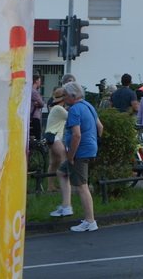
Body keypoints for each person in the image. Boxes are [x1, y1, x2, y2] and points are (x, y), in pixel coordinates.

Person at [50, 81, 103, 232]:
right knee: (62, 172)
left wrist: (71, 155)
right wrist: (94, 143)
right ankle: (66, 206)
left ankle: (90, 221)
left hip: (80, 152)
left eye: (65, 95)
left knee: (82, 186)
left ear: (73, 96)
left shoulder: (74, 110)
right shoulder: (89, 106)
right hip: (89, 148)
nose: (64, 98)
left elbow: (76, 135)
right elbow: (100, 127)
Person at [44, 87, 69, 191]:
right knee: (64, 158)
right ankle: (66, 185)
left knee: (54, 162)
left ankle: (50, 186)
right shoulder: (59, 109)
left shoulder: (56, 108)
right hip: (55, 136)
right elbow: (70, 116)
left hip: (50, 136)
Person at [30, 74, 45, 140]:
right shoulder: (34, 92)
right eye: (39, 81)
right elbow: (42, 103)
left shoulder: (29, 90)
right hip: (35, 117)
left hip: (32, 116)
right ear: (36, 81)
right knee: (37, 137)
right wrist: (40, 104)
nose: (40, 83)